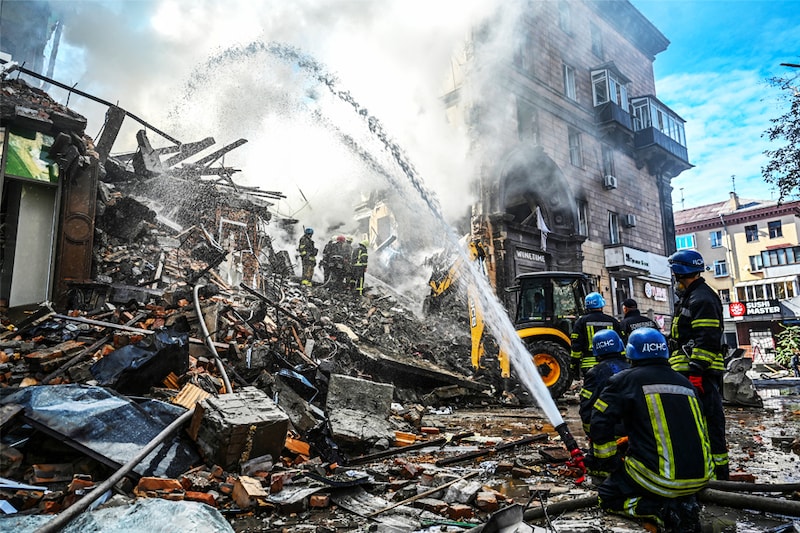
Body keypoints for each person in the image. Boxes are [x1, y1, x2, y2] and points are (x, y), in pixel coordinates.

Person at [591, 328, 713, 532]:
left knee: (607, 496)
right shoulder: (685, 384)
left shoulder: (624, 380)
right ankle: (683, 505)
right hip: (700, 477)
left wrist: (607, 460)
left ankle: (659, 510)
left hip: (659, 479)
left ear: (630, 353)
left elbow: (599, 421)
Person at [668, 249, 728, 480]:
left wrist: (696, 370)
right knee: (691, 425)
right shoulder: (691, 297)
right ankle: (702, 472)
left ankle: (720, 478)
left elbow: (708, 339)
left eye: (675, 275)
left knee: (710, 424)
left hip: (700, 374)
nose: (674, 280)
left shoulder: (701, 298)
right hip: (690, 373)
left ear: (681, 274)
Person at [579, 329, 629, 441]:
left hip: (609, 432)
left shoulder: (594, 373)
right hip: (633, 433)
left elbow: (586, 405)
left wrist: (591, 433)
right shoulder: (631, 369)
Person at [570, 292, 622, 379]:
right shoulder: (612, 321)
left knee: (593, 389)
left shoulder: (580, 322)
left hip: (589, 365)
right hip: (612, 364)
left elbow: (576, 346)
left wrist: (574, 365)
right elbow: (621, 342)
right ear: (601, 305)